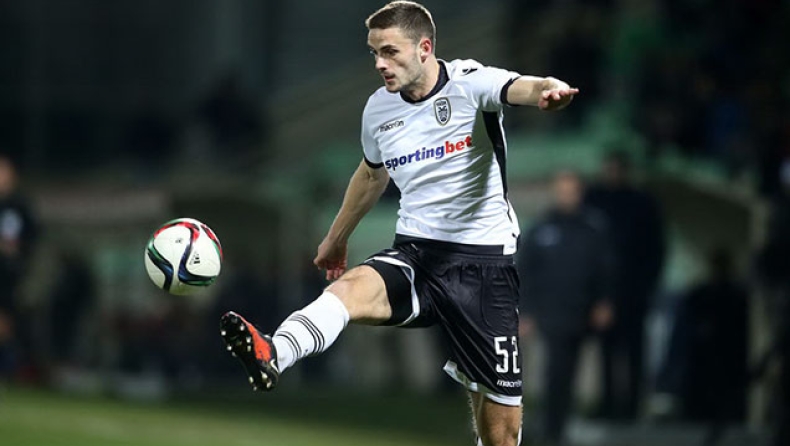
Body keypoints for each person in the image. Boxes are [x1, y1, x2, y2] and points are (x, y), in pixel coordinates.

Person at [219, 2, 578, 446]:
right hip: (417, 255)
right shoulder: (378, 110)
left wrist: (548, 88)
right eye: (374, 53)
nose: (380, 64)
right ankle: (275, 352)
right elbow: (372, 174)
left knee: (501, 437)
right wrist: (336, 237)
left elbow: (521, 87)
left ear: (424, 48)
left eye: (390, 52)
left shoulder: (470, 83)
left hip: (484, 270)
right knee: (346, 291)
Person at [518, 171, 614, 445]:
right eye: (561, 191)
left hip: (581, 311)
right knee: (555, 370)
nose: (566, 196)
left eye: (571, 191)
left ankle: (560, 423)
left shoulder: (593, 227)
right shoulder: (542, 228)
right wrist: (525, 311)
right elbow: (526, 271)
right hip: (551, 312)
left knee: (570, 370)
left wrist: (604, 301)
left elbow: (606, 268)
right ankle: (551, 427)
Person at [583, 150, 665, 420]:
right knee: (606, 350)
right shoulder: (594, 200)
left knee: (634, 350)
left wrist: (647, 285)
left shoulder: (642, 202)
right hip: (604, 292)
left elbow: (655, 249)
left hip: (634, 292)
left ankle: (631, 406)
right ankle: (608, 403)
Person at [0, 155, 37, 381]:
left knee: (6, 324)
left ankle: (13, 370)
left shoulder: (18, 206)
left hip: (9, 275)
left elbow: (23, 241)